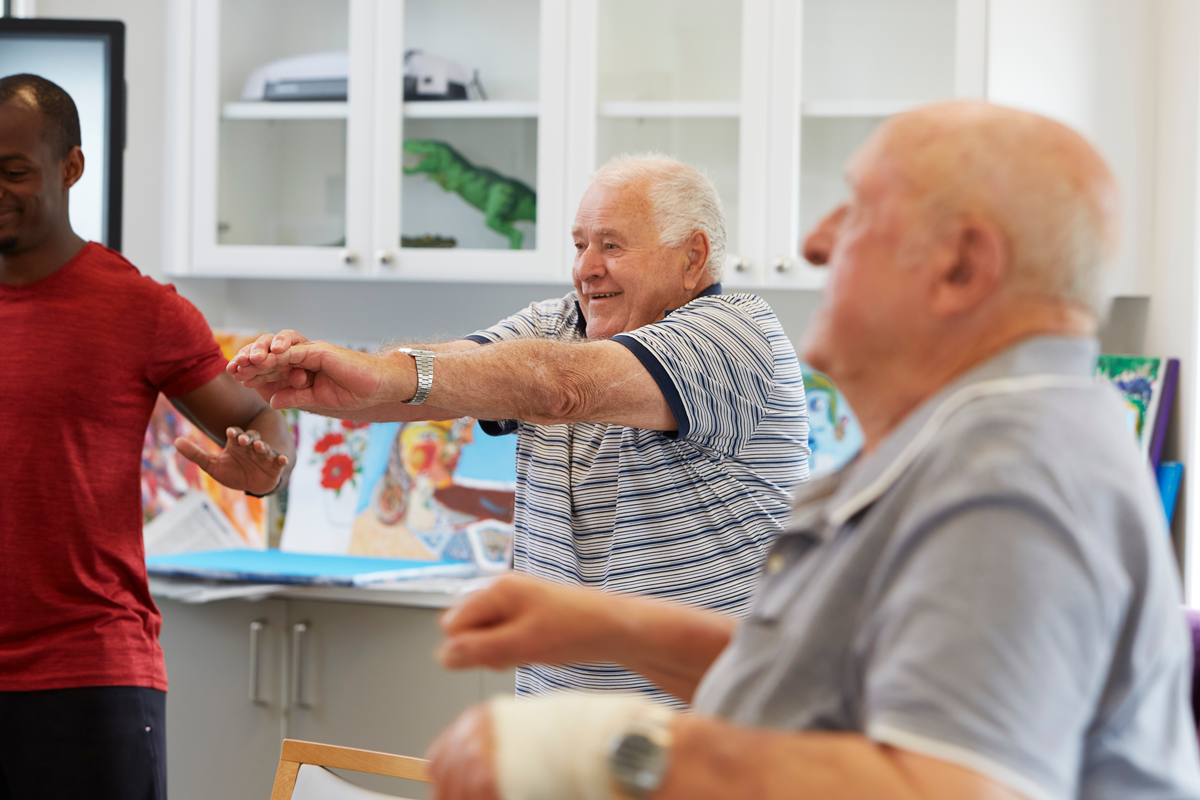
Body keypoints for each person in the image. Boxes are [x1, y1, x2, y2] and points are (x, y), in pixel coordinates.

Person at [419, 101, 1200, 800]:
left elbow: (953, 786)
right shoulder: (963, 441)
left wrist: (597, 753)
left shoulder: (1015, 476)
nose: (815, 242)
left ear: (962, 266)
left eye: (858, 211)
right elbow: (822, 679)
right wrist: (605, 629)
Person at [227, 154, 810, 702]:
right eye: (580, 245)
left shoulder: (736, 336)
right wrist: (329, 382)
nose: (587, 268)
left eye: (612, 246)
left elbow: (558, 387)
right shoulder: (562, 322)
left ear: (692, 257)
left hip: (707, 735)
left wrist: (384, 374)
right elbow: (451, 373)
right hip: (559, 730)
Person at [0, 74, 295, 800]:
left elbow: (259, 421)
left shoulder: (138, 309)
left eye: (14, 171)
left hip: (86, 673)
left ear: (71, 167)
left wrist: (258, 470)